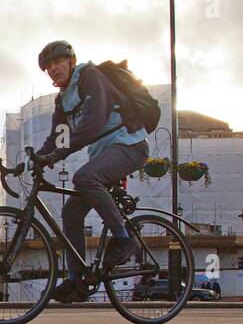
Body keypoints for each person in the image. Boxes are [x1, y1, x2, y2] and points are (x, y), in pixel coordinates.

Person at [26, 40, 150, 303]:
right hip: (105, 154)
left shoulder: (90, 78)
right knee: (70, 212)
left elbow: (92, 123)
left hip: (130, 145)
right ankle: (75, 280)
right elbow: (58, 137)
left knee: (84, 177)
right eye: (49, 66)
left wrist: (58, 155)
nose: (54, 69)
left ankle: (123, 237)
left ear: (71, 62)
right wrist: (37, 158)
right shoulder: (63, 101)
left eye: (58, 62)